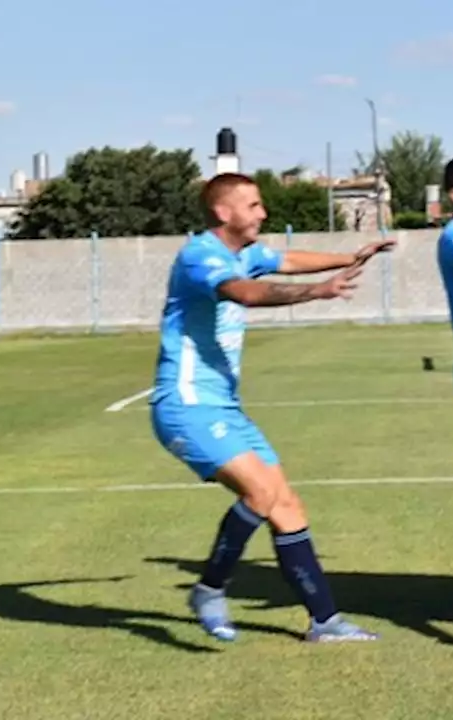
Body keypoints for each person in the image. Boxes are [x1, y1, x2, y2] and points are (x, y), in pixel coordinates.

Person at [151, 172, 390, 643]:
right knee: (260, 493)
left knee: (285, 504)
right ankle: (210, 589)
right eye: (254, 205)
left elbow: (287, 259)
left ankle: (325, 621)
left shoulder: (246, 253)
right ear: (224, 212)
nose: (263, 213)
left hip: (224, 406)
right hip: (186, 405)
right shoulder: (202, 255)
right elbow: (247, 293)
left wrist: (349, 256)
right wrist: (317, 292)